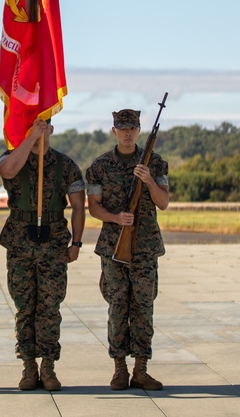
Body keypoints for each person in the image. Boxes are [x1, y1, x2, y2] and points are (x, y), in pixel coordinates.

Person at [0, 118, 86, 392]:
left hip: (53, 242)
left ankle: (48, 366)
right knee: (25, 307)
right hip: (21, 242)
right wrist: (30, 139)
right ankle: (28, 366)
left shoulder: (66, 165)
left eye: (44, 125)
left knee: (50, 307)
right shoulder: (12, 157)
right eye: (35, 125)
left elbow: (79, 206)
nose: (40, 130)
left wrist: (77, 243)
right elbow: (9, 171)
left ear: (52, 129)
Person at [85, 109, 169, 392]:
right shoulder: (99, 166)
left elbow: (164, 202)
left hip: (145, 249)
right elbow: (93, 207)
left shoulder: (155, 164)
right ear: (114, 131)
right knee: (117, 308)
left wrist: (148, 181)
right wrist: (116, 218)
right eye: (122, 128)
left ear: (139, 130)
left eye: (132, 128)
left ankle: (141, 370)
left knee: (144, 309)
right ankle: (119, 369)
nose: (128, 133)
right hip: (113, 248)